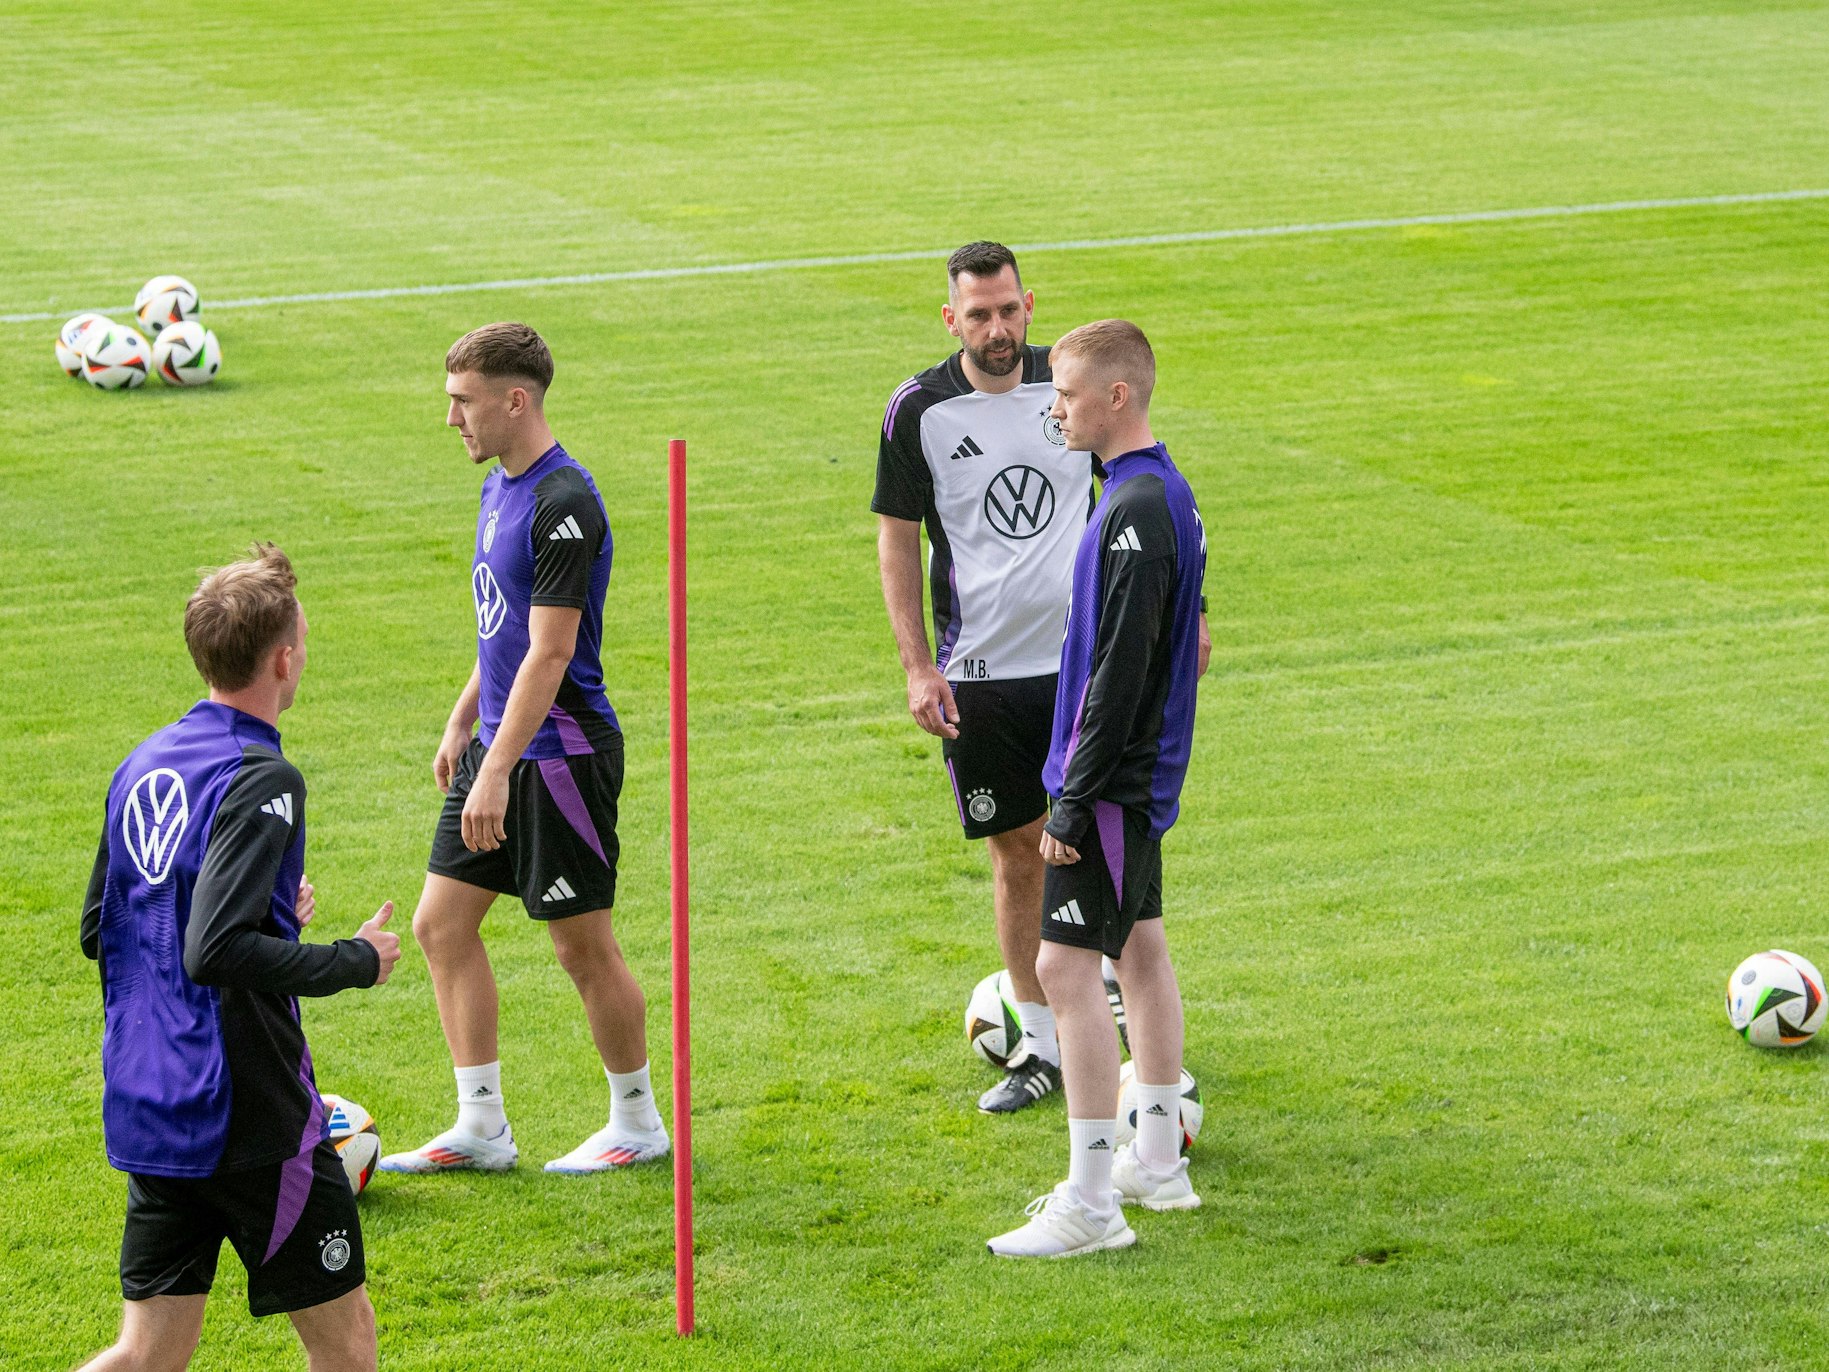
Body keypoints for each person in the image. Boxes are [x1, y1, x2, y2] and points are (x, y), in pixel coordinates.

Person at [78, 544, 401, 1369]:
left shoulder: (143, 762)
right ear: (283, 658)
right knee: (348, 1343)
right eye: (304, 639)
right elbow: (215, 948)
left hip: (151, 1101)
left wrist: (266, 910)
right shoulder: (264, 775)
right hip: (246, 1114)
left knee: (145, 1353)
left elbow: (101, 926)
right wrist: (355, 959)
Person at [380, 323, 667, 1176]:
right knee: (440, 926)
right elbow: (502, 629)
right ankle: (481, 1127)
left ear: (515, 401)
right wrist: (461, 720)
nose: (451, 420)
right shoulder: (500, 486)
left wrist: (496, 769)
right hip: (502, 744)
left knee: (580, 946)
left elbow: (550, 651)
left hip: (560, 755)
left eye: (462, 402)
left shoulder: (563, 503)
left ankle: (637, 1123)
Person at [988, 320, 1209, 1258]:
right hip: (1133, 780)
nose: (1056, 410)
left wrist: (1073, 800)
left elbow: (1120, 673)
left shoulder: (1136, 512)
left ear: (1117, 396)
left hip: (1111, 786)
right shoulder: (1152, 491)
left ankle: (1089, 1204)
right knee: (1140, 950)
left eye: (1068, 395)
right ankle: (1155, 1162)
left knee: (1066, 970)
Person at [873, 242, 1095, 1112]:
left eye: (1007, 311)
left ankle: (1105, 1001)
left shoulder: (1072, 383)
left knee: (1103, 840)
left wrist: (1176, 615)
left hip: (1082, 665)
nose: (996, 330)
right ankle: (1038, 1045)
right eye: (978, 316)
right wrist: (916, 666)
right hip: (980, 673)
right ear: (950, 319)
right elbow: (897, 538)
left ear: (1028, 304)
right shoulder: (919, 410)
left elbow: (1139, 488)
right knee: (1016, 853)